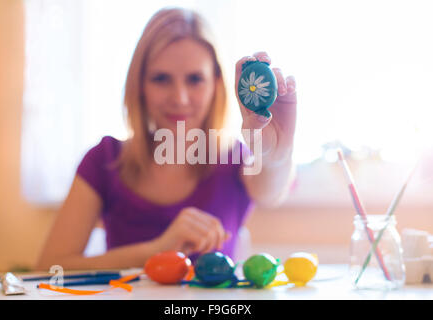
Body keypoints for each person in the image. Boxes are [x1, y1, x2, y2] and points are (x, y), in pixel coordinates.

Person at [36, 7, 297, 271]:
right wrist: (156, 251)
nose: (180, 98)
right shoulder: (104, 159)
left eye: (195, 79)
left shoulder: (237, 158)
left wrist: (276, 153)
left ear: (216, 85)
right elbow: (49, 268)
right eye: (161, 79)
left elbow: (271, 191)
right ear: (140, 85)